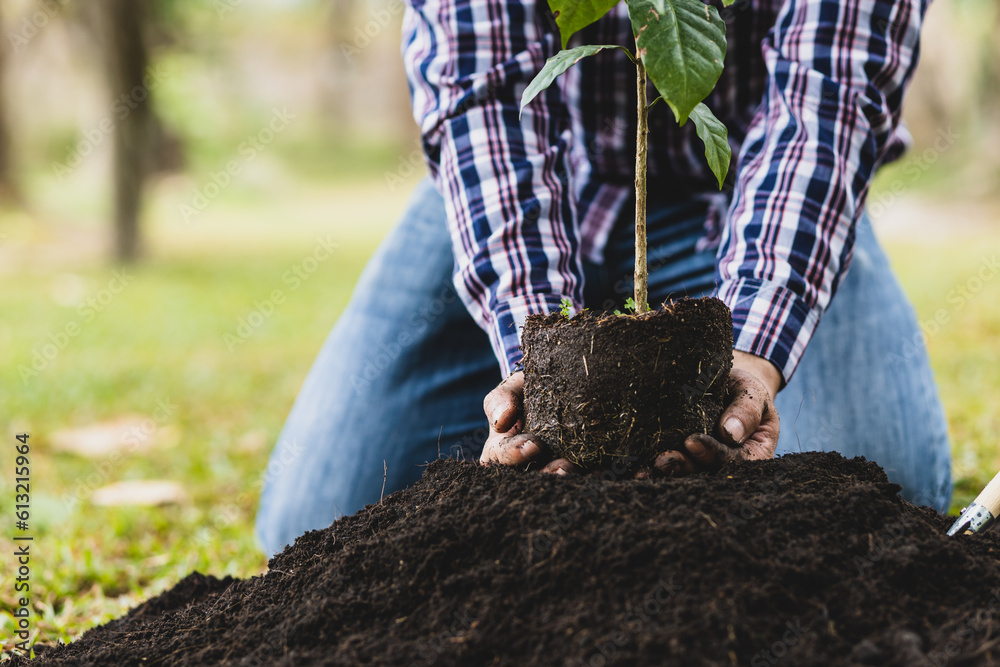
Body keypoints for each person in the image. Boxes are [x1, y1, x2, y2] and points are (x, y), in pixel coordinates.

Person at [254, 0, 952, 557]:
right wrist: (541, 360)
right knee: (317, 512)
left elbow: (826, 95)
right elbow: (485, 95)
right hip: (536, 178)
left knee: (882, 497)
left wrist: (758, 347)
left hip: (749, 192)